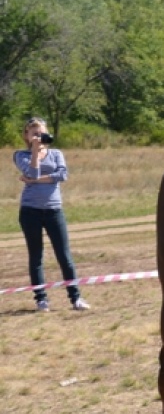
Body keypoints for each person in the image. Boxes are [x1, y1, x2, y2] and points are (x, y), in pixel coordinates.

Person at [13, 117, 90, 313]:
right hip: (30, 211)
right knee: (36, 256)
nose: (38, 136)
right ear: (27, 136)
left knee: (64, 255)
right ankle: (41, 299)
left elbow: (62, 175)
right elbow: (33, 172)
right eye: (34, 134)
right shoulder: (20, 155)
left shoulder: (56, 153)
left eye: (41, 133)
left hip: (54, 210)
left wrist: (33, 180)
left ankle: (76, 298)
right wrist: (35, 155)